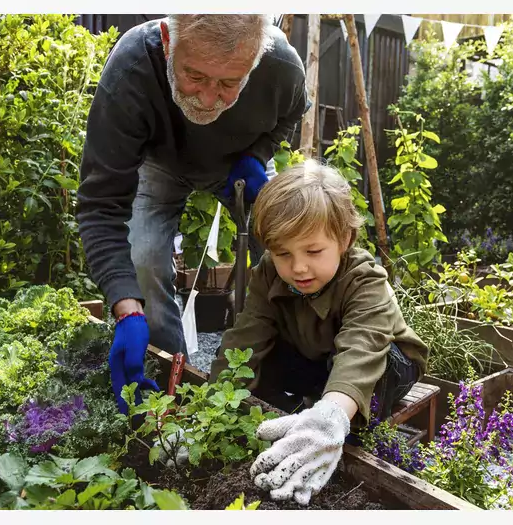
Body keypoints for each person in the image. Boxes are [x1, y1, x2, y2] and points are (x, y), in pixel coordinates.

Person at [75, 15, 309, 413]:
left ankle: (290, 370)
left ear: (255, 60)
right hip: (159, 164)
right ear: (168, 40)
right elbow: (101, 205)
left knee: (290, 247)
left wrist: (256, 157)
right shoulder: (132, 68)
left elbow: (290, 115)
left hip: (238, 163)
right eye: (194, 76)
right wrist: (126, 306)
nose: (206, 98)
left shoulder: (281, 66)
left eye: (228, 84)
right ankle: (171, 386)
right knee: (143, 263)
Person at [208, 159, 429, 505]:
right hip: (316, 355)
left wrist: (332, 417)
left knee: (372, 370)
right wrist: (209, 411)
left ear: (344, 239)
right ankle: (291, 422)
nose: (297, 267)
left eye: (313, 251)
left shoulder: (365, 279)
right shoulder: (269, 274)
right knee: (258, 359)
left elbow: (362, 347)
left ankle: (334, 429)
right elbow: (245, 338)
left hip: (384, 362)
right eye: (282, 253)